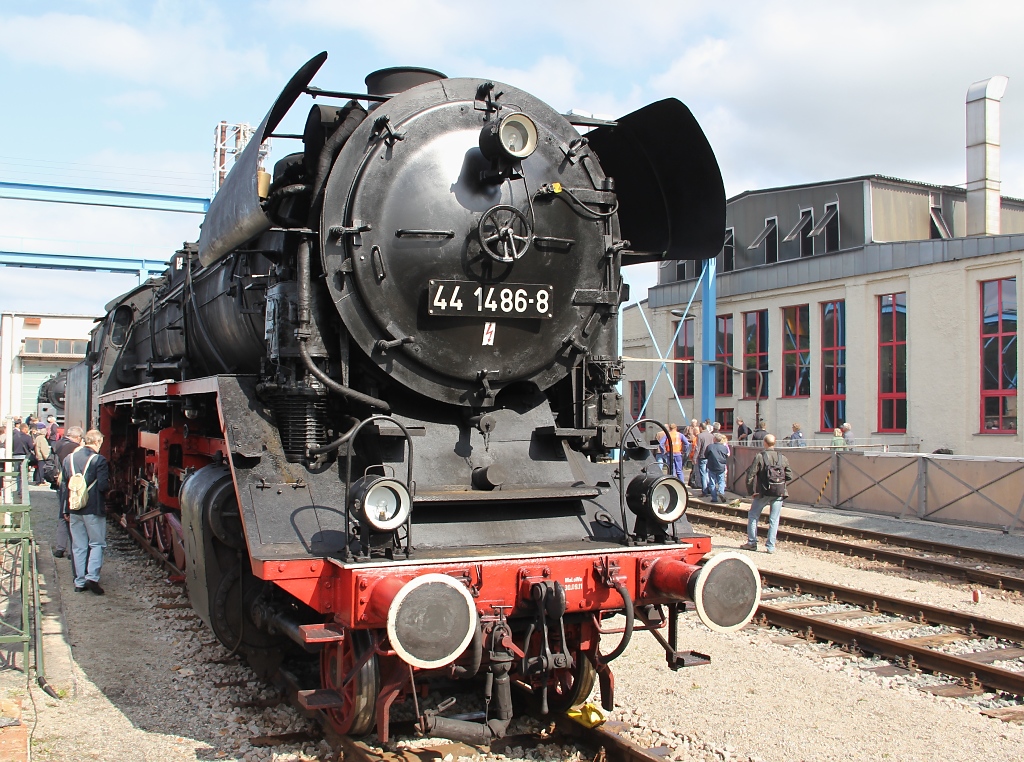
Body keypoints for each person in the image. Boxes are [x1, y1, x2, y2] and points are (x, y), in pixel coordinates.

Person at [64, 429, 109, 595]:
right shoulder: (99, 460)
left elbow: (64, 487)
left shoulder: (69, 459)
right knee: (97, 543)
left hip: (74, 507)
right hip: (93, 508)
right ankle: (93, 577)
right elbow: (103, 486)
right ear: (97, 442)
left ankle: (79, 582)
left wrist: (65, 509)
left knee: (78, 546)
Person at [741, 434, 793, 554]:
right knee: (774, 519)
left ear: (764, 443)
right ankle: (770, 547)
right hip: (779, 492)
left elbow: (750, 475)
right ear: (774, 443)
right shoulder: (782, 457)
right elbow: (789, 475)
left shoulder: (760, 456)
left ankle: (752, 542)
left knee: (753, 515)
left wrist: (751, 492)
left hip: (763, 492)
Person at [52, 426, 84, 559]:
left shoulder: (57, 444)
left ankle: (60, 547)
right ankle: (72, 550)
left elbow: (50, 463)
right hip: (73, 484)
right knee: (73, 516)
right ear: (77, 437)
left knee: (62, 515)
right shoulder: (74, 448)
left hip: (61, 483)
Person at [704, 433, 731, 503]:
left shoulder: (710, 447)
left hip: (712, 466)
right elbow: (727, 455)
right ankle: (721, 492)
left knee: (712, 482)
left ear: (715, 439)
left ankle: (714, 498)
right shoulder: (724, 447)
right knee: (721, 481)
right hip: (721, 467)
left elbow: (705, 455)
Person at [694, 423, 715, 495]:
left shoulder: (700, 436)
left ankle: (704, 491)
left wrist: (694, 457)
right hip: (710, 456)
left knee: (703, 474)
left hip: (702, 456)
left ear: (700, 428)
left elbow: (698, 448)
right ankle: (710, 489)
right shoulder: (711, 436)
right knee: (708, 473)